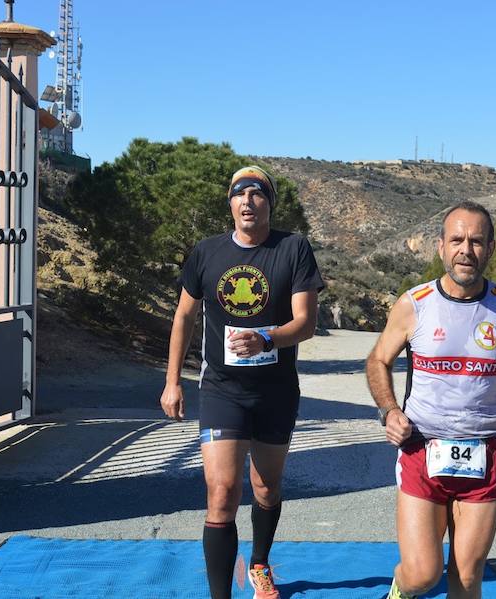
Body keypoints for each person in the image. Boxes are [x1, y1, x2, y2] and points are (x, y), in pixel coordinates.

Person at [366, 200, 496, 599]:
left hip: (484, 452)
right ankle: (399, 591)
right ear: (441, 247)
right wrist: (389, 411)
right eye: (457, 240)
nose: (465, 250)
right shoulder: (414, 304)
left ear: (491, 249)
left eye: (476, 241)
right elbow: (378, 360)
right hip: (421, 448)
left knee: (468, 578)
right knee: (422, 575)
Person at [160, 165, 324, 599]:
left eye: (258, 194)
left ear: (270, 203)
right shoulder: (206, 254)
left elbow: (306, 322)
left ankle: (259, 564)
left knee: (265, 488)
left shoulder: (293, 249)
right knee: (223, 490)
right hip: (221, 390)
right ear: (230, 204)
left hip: (275, 391)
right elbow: (184, 316)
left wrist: (267, 336)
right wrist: (172, 381)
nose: (248, 200)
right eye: (239, 194)